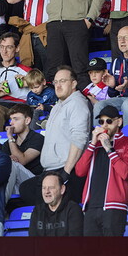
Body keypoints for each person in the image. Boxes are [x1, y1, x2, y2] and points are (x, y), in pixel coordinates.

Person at [18, 66, 91, 206]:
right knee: (26, 190)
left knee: (40, 198)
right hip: (51, 170)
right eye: (56, 82)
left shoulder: (77, 103)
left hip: (65, 170)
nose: (58, 85)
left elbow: (79, 138)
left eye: (62, 81)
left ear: (74, 83)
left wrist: (66, 172)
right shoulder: (58, 105)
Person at [74, 106, 128, 236]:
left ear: (119, 122)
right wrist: (92, 143)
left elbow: (125, 172)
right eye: (101, 122)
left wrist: (109, 149)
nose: (104, 125)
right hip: (91, 206)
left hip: (114, 207)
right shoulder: (95, 145)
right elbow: (80, 172)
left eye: (109, 121)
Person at [0, 103, 45, 199]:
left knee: (13, 164)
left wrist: (10, 137)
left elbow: (21, 161)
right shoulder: (8, 144)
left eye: (16, 119)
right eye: (11, 119)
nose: (11, 123)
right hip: (15, 183)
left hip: (34, 183)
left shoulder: (38, 138)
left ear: (27, 120)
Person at [28, 170, 84, 236]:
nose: (46, 191)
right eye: (44, 188)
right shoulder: (37, 211)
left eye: (51, 188)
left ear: (62, 189)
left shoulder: (73, 210)